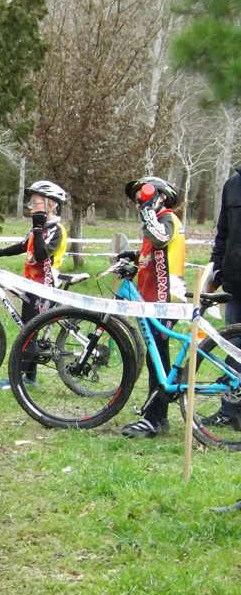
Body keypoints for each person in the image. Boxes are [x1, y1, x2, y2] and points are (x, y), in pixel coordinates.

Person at [119, 175, 185, 438]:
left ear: (160, 197)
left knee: (157, 359)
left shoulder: (166, 218)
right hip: (153, 298)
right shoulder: (157, 220)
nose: (139, 205)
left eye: (142, 198)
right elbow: (154, 253)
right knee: (155, 357)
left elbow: (161, 239)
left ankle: (153, 419)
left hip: (164, 299)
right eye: (137, 202)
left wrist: (148, 210)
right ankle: (160, 416)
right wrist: (134, 256)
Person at [0, 180, 68, 390]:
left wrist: (39, 228)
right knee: (27, 329)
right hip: (31, 285)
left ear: (51, 205)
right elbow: (22, 246)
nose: (30, 207)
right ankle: (30, 378)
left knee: (29, 333)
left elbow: (41, 254)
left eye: (35, 203)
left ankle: (16, 378)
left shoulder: (56, 230)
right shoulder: (36, 228)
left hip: (45, 287)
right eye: (30, 203)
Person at [203, 163, 241, 431]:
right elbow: (223, 234)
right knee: (234, 349)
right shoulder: (233, 184)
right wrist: (215, 272)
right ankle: (229, 411)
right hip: (235, 284)